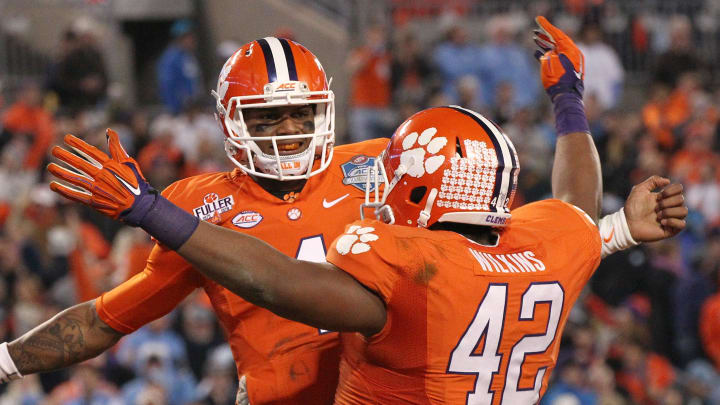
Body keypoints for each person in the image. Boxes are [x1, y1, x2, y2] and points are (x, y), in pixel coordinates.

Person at [37, 18, 687, 403]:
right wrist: (574, 114)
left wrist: (150, 209)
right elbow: (574, 210)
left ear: (412, 187)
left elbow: (276, 281)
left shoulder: (408, 266)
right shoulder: (547, 246)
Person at [7, 38, 386, 404]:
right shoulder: (198, 206)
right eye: (267, 117)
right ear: (230, 120)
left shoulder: (381, 165)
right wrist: (6, 360)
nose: (289, 131)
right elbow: (105, 320)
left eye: (302, 113)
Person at [157, 19, 202, 115]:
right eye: (189, 37)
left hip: (194, 107)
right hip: (181, 110)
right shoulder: (171, 58)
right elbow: (167, 84)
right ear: (180, 38)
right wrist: (175, 108)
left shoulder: (189, 56)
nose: (193, 40)